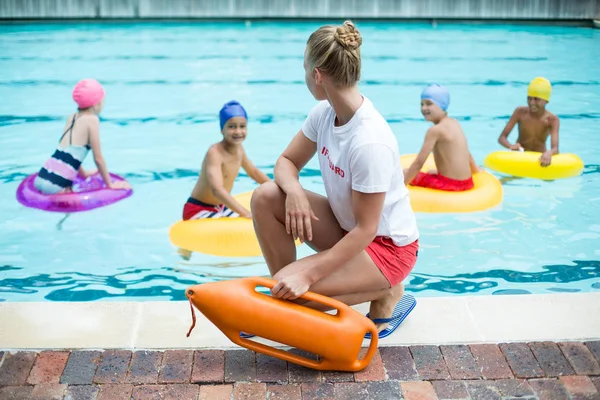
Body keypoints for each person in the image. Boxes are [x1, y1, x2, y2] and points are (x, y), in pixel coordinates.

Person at [250, 21, 419, 336]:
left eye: (304, 69)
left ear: (317, 75)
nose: (304, 77)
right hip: (347, 231)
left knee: (282, 298)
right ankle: (291, 292)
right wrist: (295, 191)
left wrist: (309, 274)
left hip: (385, 248)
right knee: (266, 196)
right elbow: (286, 162)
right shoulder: (324, 113)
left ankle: (385, 290)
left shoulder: (369, 141)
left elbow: (367, 230)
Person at [178, 100, 270, 260]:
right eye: (231, 126)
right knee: (249, 221)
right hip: (197, 209)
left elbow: (254, 172)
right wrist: (244, 212)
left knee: (261, 218)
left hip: (218, 207)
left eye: (242, 126)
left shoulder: (239, 150)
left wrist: (275, 186)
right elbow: (217, 190)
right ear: (222, 129)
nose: (238, 131)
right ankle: (184, 254)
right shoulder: (215, 152)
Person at [33, 79, 131, 194]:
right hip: (58, 184)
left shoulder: (72, 117)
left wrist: (83, 174)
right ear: (96, 104)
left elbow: (69, 152)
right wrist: (110, 185)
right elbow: (98, 159)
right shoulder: (92, 120)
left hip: (42, 176)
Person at [403, 84, 480, 191]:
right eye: (422, 104)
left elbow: (419, 163)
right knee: (430, 172)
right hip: (467, 183)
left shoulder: (435, 130)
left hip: (449, 185)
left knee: (404, 172)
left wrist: (402, 187)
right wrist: (476, 171)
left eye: (429, 104)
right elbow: (467, 153)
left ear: (442, 105)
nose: (424, 108)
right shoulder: (455, 123)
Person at [497, 77, 559, 167]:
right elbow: (502, 138)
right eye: (529, 98)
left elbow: (555, 148)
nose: (532, 102)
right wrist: (511, 146)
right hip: (521, 157)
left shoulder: (552, 119)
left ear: (546, 101)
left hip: (540, 158)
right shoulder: (520, 112)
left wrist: (549, 153)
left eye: (536, 99)